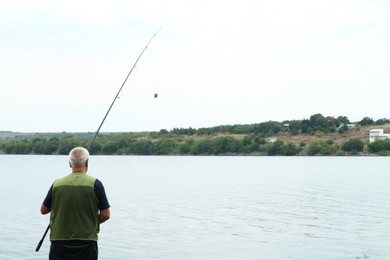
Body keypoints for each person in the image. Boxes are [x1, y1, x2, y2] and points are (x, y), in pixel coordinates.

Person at [40, 147, 110, 260]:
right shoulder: (96, 184)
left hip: (59, 241)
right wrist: (89, 222)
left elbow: (43, 210)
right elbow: (105, 215)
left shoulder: (57, 184)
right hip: (87, 242)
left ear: (69, 164)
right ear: (87, 162)